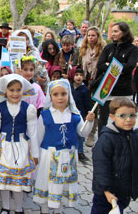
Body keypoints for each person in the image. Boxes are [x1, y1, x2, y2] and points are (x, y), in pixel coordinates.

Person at [33, 79, 94, 213]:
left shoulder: (75, 114)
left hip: (68, 156)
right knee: (46, 182)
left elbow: (83, 133)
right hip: (48, 156)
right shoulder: (45, 115)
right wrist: (35, 155)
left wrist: (89, 122)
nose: (60, 98)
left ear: (69, 95)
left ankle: (57, 210)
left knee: (62, 185)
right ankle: (44, 209)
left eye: (63, 94)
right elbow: (38, 137)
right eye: (55, 94)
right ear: (50, 96)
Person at [0, 74, 39, 214]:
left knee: (18, 182)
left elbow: (33, 134)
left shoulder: (29, 109)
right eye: (12, 90)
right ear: (5, 91)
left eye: (18, 90)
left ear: (23, 90)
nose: (15, 93)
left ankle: (19, 208)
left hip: (21, 147)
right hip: (4, 148)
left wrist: (35, 154)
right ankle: (6, 207)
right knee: (4, 182)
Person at [91, 98, 138, 214]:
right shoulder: (107, 138)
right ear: (112, 117)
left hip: (124, 192)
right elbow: (101, 167)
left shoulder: (133, 136)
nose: (129, 119)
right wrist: (106, 191)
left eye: (132, 115)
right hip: (106, 194)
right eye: (123, 115)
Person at [95, 22, 138, 134]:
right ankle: (102, 142)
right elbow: (100, 65)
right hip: (106, 89)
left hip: (123, 91)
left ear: (124, 33)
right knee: (103, 119)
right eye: (112, 31)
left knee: (124, 119)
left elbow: (130, 66)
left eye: (115, 31)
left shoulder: (132, 49)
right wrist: (118, 67)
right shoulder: (108, 48)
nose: (112, 34)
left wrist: (111, 66)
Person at [69, 66, 91, 163]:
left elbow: (87, 103)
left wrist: (88, 113)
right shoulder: (69, 87)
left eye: (81, 75)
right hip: (70, 114)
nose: (79, 77)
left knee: (80, 134)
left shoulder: (84, 89)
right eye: (76, 75)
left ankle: (80, 152)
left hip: (80, 115)